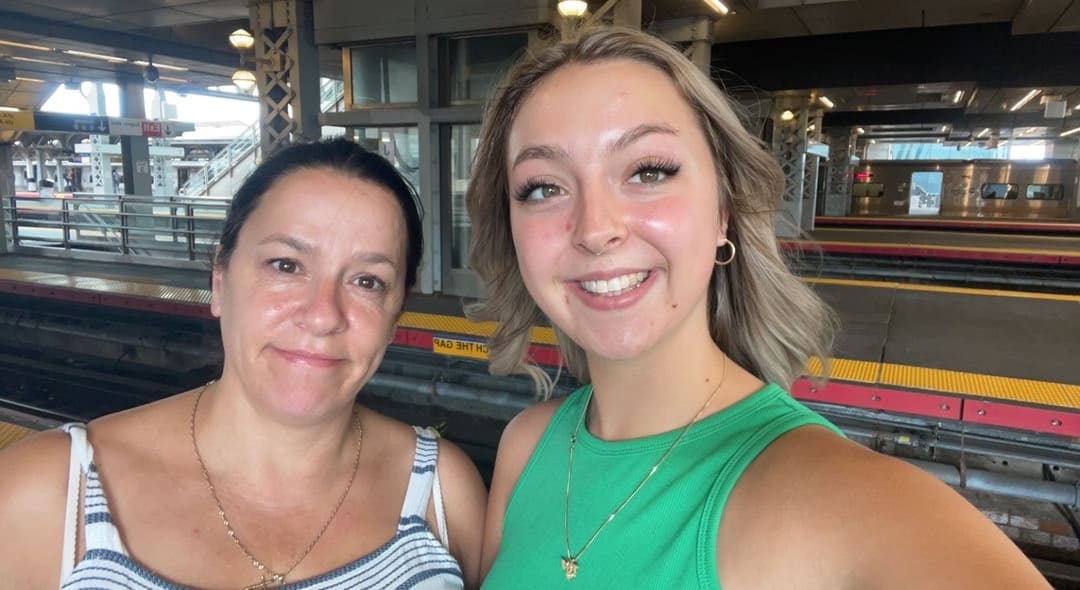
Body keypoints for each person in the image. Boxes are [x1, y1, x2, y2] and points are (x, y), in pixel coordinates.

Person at [466, 27, 1050, 589]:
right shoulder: (526, 448)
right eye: (543, 187)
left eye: (648, 171)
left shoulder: (832, 499)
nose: (595, 229)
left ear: (724, 213)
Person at [0, 138, 487, 589]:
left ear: (395, 313)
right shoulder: (44, 495)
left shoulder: (443, 494)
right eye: (286, 265)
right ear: (219, 279)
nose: (322, 315)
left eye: (367, 281)